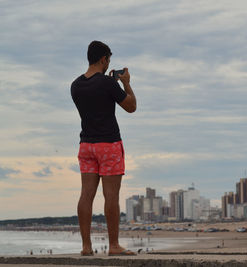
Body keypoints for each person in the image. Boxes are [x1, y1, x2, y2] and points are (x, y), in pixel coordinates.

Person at [71, 40, 137, 256]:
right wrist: (125, 83)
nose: (109, 63)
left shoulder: (76, 85)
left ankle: (86, 247)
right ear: (103, 59)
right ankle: (114, 245)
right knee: (111, 196)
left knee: (86, 195)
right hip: (108, 144)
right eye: (109, 59)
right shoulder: (108, 84)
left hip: (86, 146)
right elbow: (131, 107)